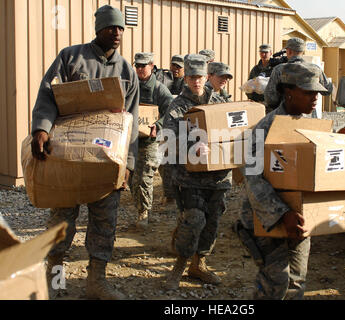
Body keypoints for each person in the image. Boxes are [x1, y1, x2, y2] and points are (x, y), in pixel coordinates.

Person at [30, 5, 139, 300]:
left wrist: (128, 163)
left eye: (120, 29)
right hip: (67, 157)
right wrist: (41, 128)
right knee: (62, 220)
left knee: (105, 221)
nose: (116, 34)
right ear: (98, 29)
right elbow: (47, 94)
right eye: (110, 28)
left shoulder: (127, 70)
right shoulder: (71, 57)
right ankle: (56, 280)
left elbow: (132, 120)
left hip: (106, 161)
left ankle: (96, 282)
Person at [235, 62, 329, 300]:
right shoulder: (266, 128)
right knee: (274, 284)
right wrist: (282, 213)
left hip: (300, 219)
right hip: (267, 220)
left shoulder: (313, 128)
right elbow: (253, 177)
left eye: (317, 92)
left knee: (297, 282)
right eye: (308, 92)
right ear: (288, 92)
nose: (315, 98)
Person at [162, 54, 231, 290]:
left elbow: (232, 131)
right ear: (186, 78)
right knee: (194, 220)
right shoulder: (177, 106)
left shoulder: (219, 103)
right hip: (189, 177)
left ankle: (198, 264)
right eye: (192, 77)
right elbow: (168, 139)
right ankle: (179, 267)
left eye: (200, 77)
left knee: (212, 222)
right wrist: (192, 144)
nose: (196, 81)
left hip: (218, 177)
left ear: (207, 76)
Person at [130, 52, 174, 228]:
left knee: (144, 176)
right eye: (137, 66)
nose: (140, 69)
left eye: (143, 66)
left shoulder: (160, 89)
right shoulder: (131, 86)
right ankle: (140, 206)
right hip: (133, 139)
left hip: (151, 141)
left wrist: (159, 124)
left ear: (152, 66)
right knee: (133, 176)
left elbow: (171, 110)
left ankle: (143, 212)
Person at [264, 37, 332, 114]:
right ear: (302, 51)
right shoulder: (315, 69)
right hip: (308, 116)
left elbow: (270, 99)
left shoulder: (279, 69)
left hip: (285, 116)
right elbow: (328, 90)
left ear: (289, 51)